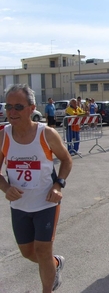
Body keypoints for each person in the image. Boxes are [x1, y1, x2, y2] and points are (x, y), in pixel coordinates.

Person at [0, 84, 73, 292]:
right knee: (27, 252)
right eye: (9, 107)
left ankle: (47, 289)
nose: (12, 112)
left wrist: (59, 185)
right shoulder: (3, 136)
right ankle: (56, 263)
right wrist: (6, 188)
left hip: (46, 202)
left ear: (32, 108)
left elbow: (66, 160)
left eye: (18, 107)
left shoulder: (46, 134)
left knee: (42, 250)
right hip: (19, 205)